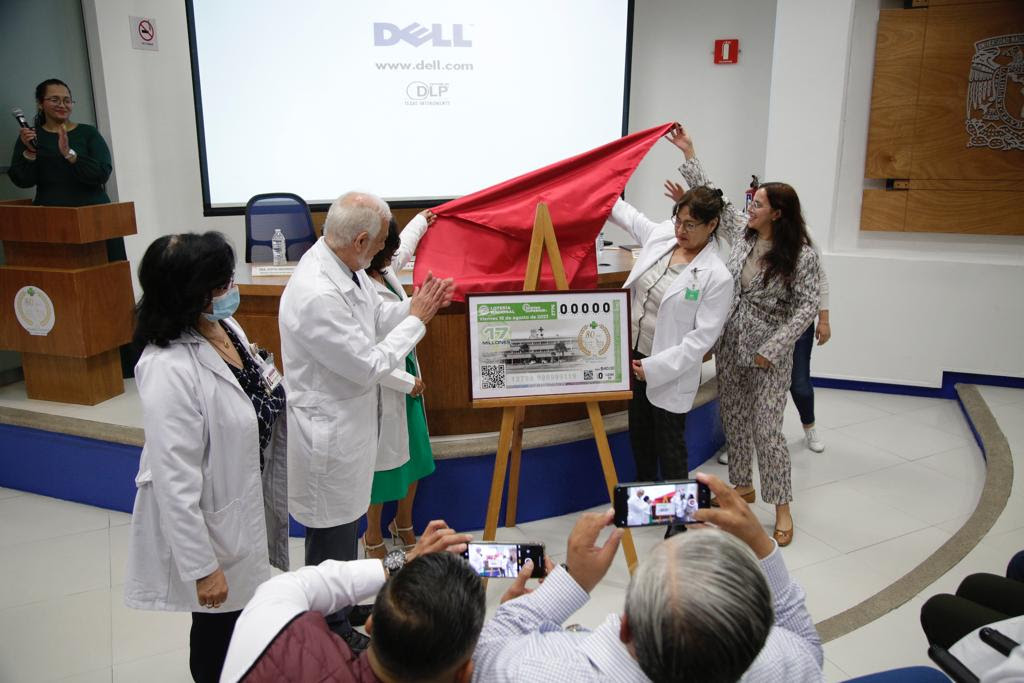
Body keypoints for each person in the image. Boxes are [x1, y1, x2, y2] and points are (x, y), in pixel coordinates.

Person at [278, 191, 454, 653]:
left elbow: (375, 316)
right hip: (328, 437)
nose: (380, 254)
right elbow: (368, 365)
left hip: (351, 432)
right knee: (330, 540)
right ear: (359, 241)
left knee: (346, 528)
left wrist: (412, 307)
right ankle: (327, 629)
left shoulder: (345, 267)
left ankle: (343, 607)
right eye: (377, 245)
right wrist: (417, 320)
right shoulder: (317, 292)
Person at [124, 232, 289, 683]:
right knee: (218, 634)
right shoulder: (166, 368)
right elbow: (174, 481)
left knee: (246, 624)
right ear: (189, 294)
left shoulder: (223, 326)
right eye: (221, 284)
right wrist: (202, 568)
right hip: (214, 526)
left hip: (245, 497)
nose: (230, 290)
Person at [472, 472, 823, 682]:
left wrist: (572, 581)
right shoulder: (780, 665)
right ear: (756, 638)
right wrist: (760, 543)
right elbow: (807, 647)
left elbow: (482, 654)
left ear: (626, 626)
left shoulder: (536, 670)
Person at [668, 124, 819, 547]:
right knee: (734, 424)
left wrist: (774, 348)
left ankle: (782, 506)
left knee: (767, 432)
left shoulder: (802, 256)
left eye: (759, 204)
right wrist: (689, 152)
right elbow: (715, 197)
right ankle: (741, 491)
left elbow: (806, 307)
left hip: (770, 354)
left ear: (778, 213)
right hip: (731, 345)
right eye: (752, 202)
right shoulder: (741, 234)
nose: (750, 207)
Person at [219, 520, 477, 682]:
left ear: (371, 624)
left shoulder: (267, 626)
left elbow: (304, 584)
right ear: (464, 674)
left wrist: (400, 562)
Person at [606, 183, 733, 484]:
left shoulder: (717, 276)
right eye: (678, 220)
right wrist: (601, 187)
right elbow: (630, 217)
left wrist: (654, 368)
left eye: (690, 225)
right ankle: (644, 498)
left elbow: (700, 341)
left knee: (670, 445)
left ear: (711, 225)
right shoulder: (663, 237)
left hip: (669, 369)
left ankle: (678, 510)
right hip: (635, 356)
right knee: (640, 437)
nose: (680, 230)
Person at [362, 211, 438, 559]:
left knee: (416, 458)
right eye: (387, 251)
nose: (393, 257)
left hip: (408, 371)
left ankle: (403, 523)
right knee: (380, 469)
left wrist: (422, 220)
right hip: (385, 382)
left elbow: (404, 247)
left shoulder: (384, 268)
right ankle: (372, 534)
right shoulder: (358, 287)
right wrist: (406, 382)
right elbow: (365, 357)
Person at [8, 78, 123, 261]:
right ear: (40, 104)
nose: (62, 105)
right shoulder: (31, 137)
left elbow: (102, 173)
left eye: (67, 100)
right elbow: (22, 180)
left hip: (94, 216)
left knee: (107, 272)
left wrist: (70, 154)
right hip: (51, 218)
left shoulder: (88, 133)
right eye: (54, 99)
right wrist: (30, 151)